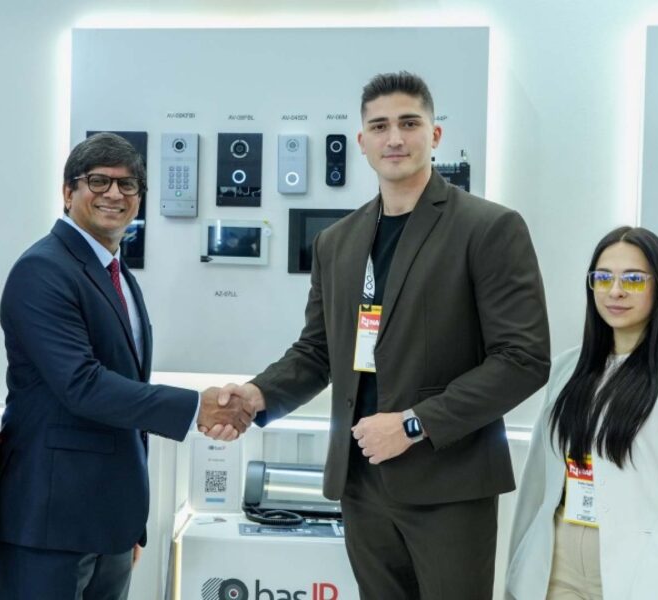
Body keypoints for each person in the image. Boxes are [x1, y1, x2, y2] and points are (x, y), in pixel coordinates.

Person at [211, 71, 551, 599]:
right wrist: (258, 394)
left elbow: (523, 359)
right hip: (361, 483)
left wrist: (415, 424)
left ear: (435, 135)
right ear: (362, 142)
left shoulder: (487, 228)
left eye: (409, 123)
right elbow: (319, 350)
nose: (395, 138)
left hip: (447, 483)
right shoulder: (336, 242)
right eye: (380, 126)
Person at [0, 132, 253, 600]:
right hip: (47, 523)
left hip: (107, 523)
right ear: (67, 192)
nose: (114, 194)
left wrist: (126, 523)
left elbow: (124, 392)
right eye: (98, 181)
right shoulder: (43, 269)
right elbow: (82, 385)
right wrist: (196, 408)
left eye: (128, 185)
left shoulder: (117, 273)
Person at [507, 226, 658, 600]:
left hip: (639, 570)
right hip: (556, 565)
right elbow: (537, 487)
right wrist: (518, 570)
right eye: (603, 277)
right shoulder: (566, 369)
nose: (616, 291)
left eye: (634, 280)